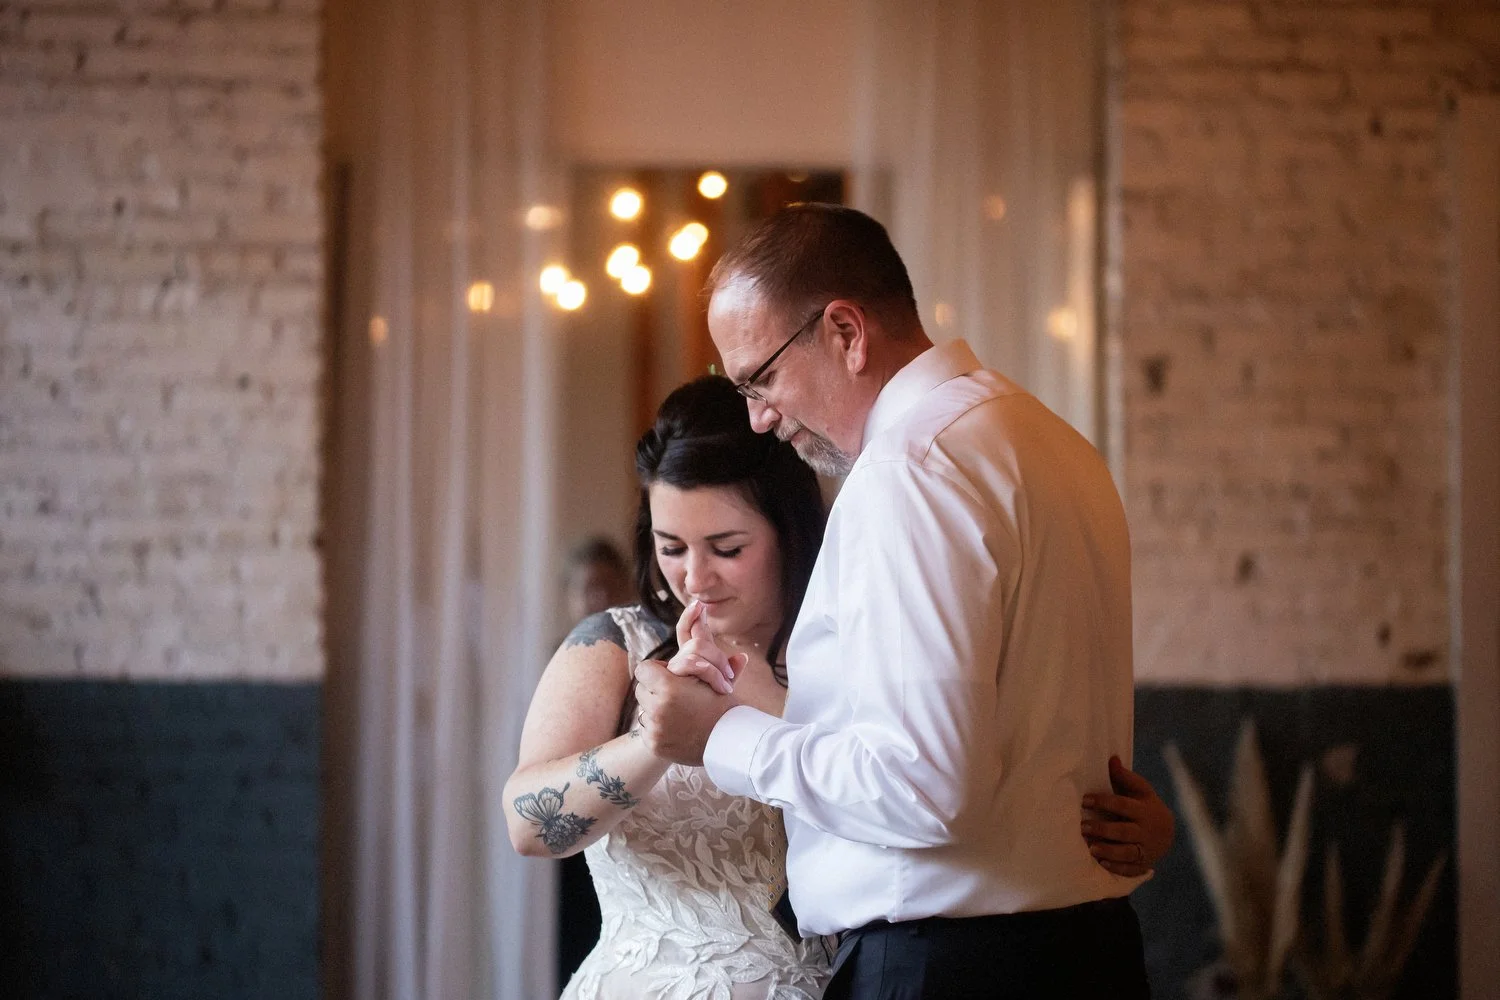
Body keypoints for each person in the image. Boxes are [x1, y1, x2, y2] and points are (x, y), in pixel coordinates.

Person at [505, 375, 1173, 999]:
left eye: (727, 547)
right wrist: (657, 741)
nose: (695, 578)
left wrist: (1114, 834)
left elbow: (939, 782)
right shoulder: (615, 646)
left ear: (788, 531)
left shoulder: (852, 641)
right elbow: (527, 826)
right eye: (672, 547)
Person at [634, 204, 1157, 999]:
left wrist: (722, 737)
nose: (759, 419)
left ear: (845, 332)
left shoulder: (909, 471)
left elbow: (920, 788)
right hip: (1091, 952)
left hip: (949, 969)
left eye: (761, 378)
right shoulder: (1053, 444)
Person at [554, 536, 633, 986]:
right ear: (569, 596)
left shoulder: (645, 657)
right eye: (587, 588)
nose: (597, 598)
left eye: (606, 585)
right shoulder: (555, 663)